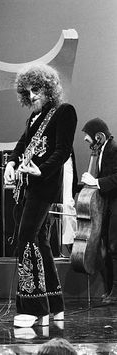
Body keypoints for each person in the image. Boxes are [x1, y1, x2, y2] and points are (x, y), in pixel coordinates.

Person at [4, 63, 77, 324]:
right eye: (28, 91)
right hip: (28, 187)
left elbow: (63, 150)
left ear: (48, 87)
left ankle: (33, 309)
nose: (32, 95)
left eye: (37, 89)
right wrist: (11, 163)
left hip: (43, 186)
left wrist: (40, 171)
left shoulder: (64, 112)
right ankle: (55, 305)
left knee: (26, 239)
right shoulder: (34, 117)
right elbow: (22, 144)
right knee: (40, 242)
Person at [81, 117, 117, 303]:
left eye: (87, 136)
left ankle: (115, 292)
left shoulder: (114, 149)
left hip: (115, 206)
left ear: (99, 136)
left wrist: (96, 182)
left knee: (114, 247)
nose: (85, 140)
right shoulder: (99, 150)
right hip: (105, 207)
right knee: (105, 249)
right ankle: (110, 289)